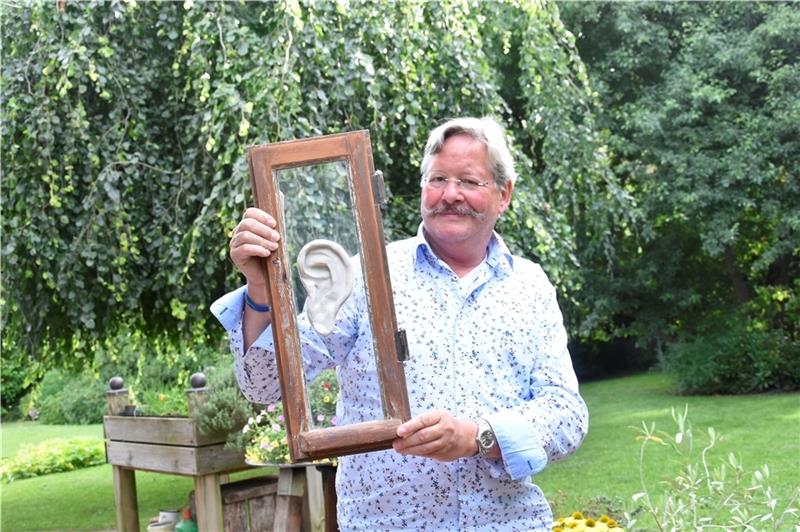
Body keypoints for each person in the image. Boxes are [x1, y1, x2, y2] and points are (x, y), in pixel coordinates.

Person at [211, 117, 588, 530]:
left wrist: (478, 436)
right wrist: (260, 288)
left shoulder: (528, 286)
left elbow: (566, 414)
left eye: (469, 181)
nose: (450, 194)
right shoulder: (365, 278)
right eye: (437, 178)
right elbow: (264, 385)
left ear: (503, 194)